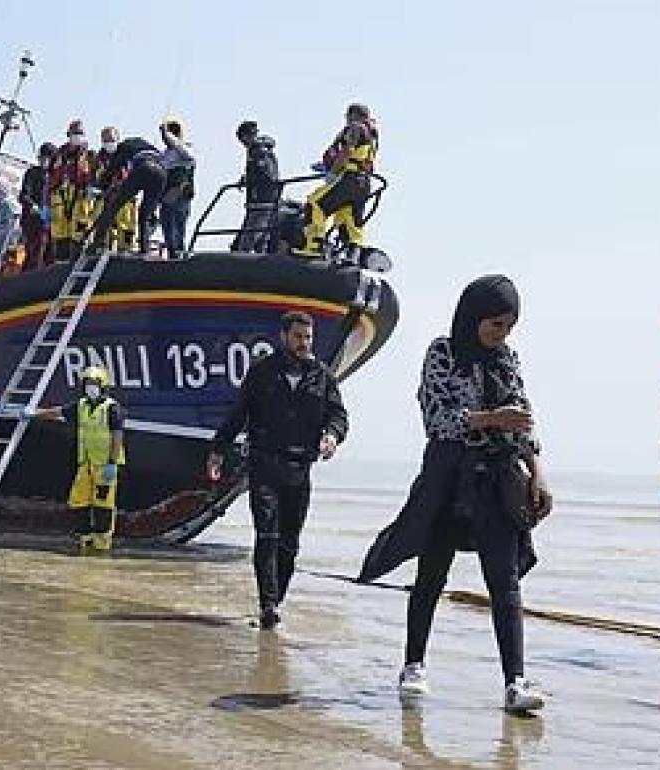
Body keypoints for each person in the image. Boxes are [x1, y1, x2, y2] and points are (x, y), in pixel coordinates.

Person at [357, 275, 554, 715]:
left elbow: (524, 420)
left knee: (505, 583)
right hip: (449, 480)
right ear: (474, 315)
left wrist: (538, 472)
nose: (501, 334)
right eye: (495, 324)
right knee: (432, 574)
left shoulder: (508, 360)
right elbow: (438, 419)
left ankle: (515, 682)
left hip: (499, 481)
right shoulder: (441, 353)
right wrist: (490, 418)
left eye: (508, 326)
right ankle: (413, 664)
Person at [207, 310, 348, 629]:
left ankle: (277, 600)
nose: (304, 343)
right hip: (265, 466)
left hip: (300, 471)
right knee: (267, 536)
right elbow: (239, 414)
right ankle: (267, 605)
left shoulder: (321, 376)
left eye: (308, 337)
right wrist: (218, 450)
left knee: (289, 544)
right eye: (298, 337)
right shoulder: (262, 373)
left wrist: (331, 436)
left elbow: (339, 416)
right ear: (283, 337)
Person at [22, 366, 126, 552]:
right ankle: (84, 540)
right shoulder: (81, 405)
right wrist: (35, 414)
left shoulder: (112, 408)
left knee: (103, 506)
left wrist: (112, 462)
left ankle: (101, 545)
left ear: (103, 386)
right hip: (85, 463)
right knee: (79, 501)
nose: (90, 387)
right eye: (87, 383)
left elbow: (117, 435)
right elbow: (59, 412)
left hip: (104, 466)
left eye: (94, 383)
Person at [297, 103, 379, 261]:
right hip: (363, 183)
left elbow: (347, 150)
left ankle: (314, 245)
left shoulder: (356, 127)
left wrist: (333, 172)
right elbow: (361, 157)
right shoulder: (372, 133)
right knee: (348, 217)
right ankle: (353, 253)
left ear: (353, 115)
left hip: (349, 179)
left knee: (314, 203)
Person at [93, 133, 166, 256]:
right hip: (161, 173)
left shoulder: (123, 147)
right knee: (145, 214)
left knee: (114, 206)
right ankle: (144, 249)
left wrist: (101, 186)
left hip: (143, 168)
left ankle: (96, 244)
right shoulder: (145, 144)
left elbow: (112, 169)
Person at [48, 120, 96, 263]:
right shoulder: (58, 155)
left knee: (79, 233)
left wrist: (92, 189)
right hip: (60, 200)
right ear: (68, 134)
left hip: (81, 199)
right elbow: (49, 179)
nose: (77, 136)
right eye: (75, 133)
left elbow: (96, 177)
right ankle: (60, 265)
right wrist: (45, 203)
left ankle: (78, 262)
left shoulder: (90, 156)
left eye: (80, 133)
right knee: (60, 234)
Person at [231, 120, 281, 253]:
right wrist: (246, 178)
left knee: (249, 239)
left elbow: (266, 174)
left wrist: (252, 182)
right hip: (264, 200)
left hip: (261, 201)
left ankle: (243, 264)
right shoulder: (261, 150)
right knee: (261, 237)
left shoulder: (258, 151)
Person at [94, 126, 138, 252]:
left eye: (111, 140)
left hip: (126, 200)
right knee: (105, 230)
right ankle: (101, 249)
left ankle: (126, 251)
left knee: (127, 230)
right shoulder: (98, 160)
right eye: (106, 140)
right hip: (106, 201)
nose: (109, 143)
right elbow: (95, 179)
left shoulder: (128, 157)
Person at [158, 118, 195, 259]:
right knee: (167, 222)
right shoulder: (164, 154)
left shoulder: (185, 147)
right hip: (167, 191)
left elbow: (187, 154)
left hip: (179, 189)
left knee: (178, 223)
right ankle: (173, 252)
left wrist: (167, 134)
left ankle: (178, 252)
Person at [19, 142, 56, 271]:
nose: (44, 161)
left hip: (52, 221)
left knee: (51, 252)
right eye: (42, 158)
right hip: (33, 220)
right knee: (35, 251)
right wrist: (33, 206)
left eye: (47, 158)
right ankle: (28, 276)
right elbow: (24, 195)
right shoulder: (32, 173)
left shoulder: (55, 175)